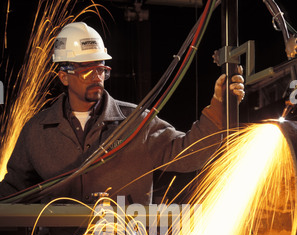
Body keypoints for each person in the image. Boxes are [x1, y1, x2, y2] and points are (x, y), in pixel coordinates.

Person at [0, 22, 244, 206]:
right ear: (64, 75)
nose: (97, 77)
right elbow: (12, 193)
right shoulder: (37, 131)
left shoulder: (136, 123)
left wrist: (219, 106)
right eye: (87, 71)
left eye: (101, 69)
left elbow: (190, 153)